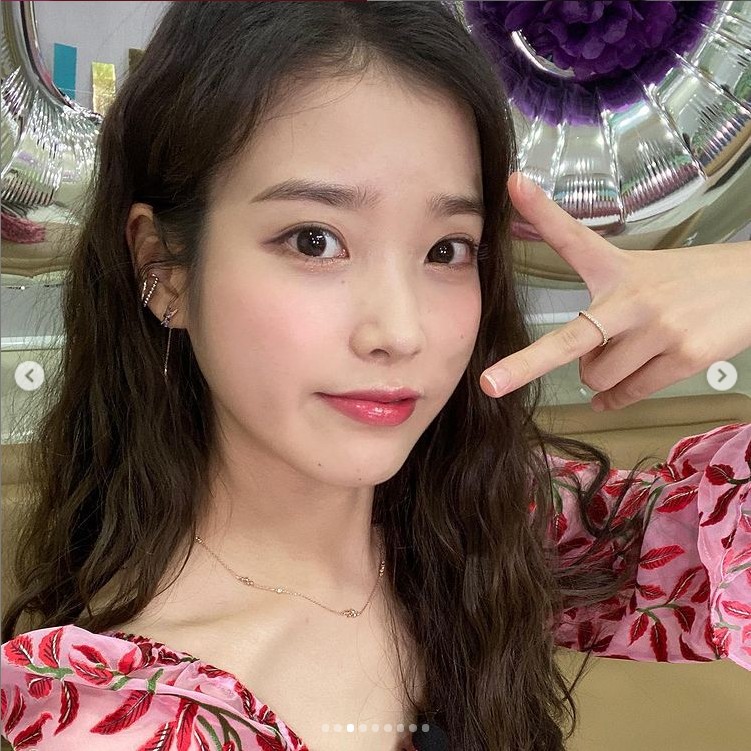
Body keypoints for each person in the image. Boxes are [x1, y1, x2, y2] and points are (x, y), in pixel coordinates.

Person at [1, 3, 749, 750]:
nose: (399, 331)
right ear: (163, 267)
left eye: (446, 250)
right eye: (314, 240)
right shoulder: (131, 719)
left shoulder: (486, 521)